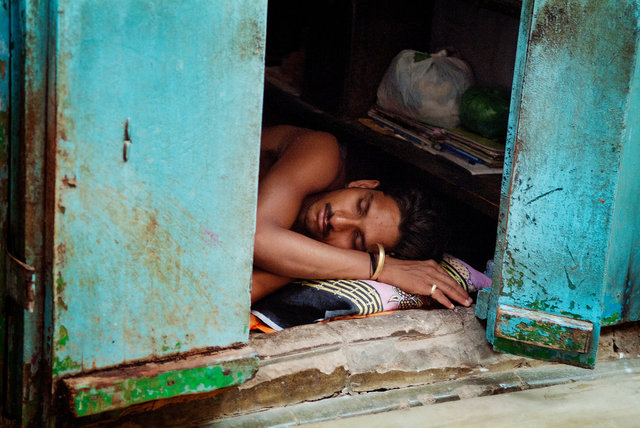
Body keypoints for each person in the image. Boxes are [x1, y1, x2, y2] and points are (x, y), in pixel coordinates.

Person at [252, 125, 472, 309]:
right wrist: (383, 268)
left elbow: (233, 294)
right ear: (363, 184)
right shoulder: (322, 152)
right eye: (360, 206)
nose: (337, 221)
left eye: (356, 239)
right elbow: (257, 237)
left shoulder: (307, 259)